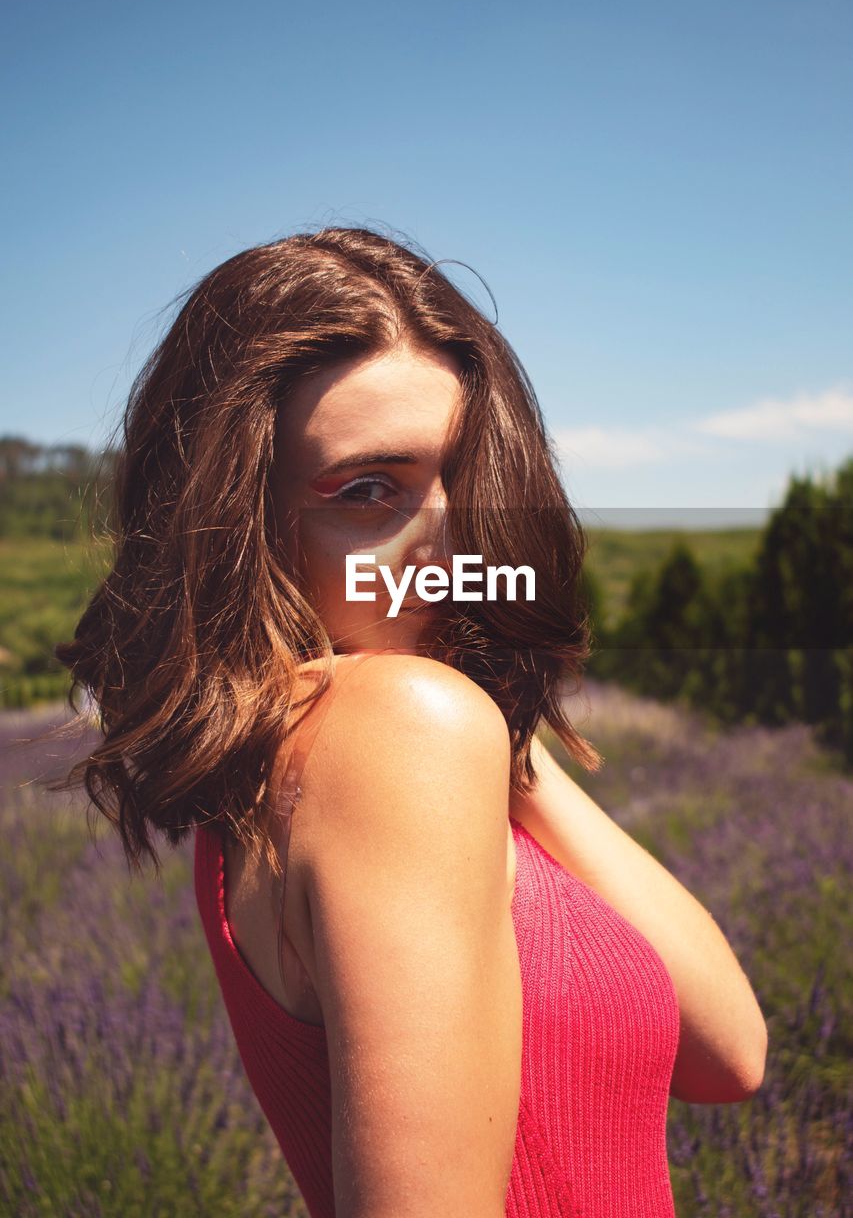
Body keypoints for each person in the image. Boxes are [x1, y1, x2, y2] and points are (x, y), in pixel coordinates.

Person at [58, 225, 767, 1218]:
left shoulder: (337, 751)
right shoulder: (393, 730)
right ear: (233, 520)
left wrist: (512, 747)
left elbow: (729, 1053)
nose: (448, 540)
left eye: (460, 478)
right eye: (366, 490)